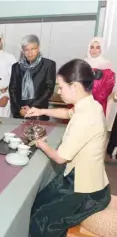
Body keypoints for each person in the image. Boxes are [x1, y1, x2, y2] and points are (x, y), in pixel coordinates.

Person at [26, 59, 111, 237]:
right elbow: (66, 113)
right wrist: (42, 111)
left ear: (75, 86)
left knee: (41, 221)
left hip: (88, 192)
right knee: (37, 202)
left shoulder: (85, 117)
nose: (58, 91)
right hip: (77, 177)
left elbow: (60, 158)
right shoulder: (90, 105)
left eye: (61, 87)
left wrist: (41, 143)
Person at [9, 34, 56, 121]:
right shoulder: (16, 67)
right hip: (20, 113)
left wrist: (31, 107)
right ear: (23, 51)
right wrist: (20, 108)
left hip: (39, 112)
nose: (30, 52)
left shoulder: (48, 65)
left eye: (33, 49)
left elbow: (49, 90)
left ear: (38, 48)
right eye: (26, 49)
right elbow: (12, 90)